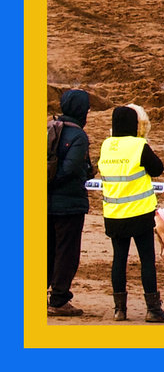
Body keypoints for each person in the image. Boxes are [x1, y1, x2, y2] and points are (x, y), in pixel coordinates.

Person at [98, 104, 164, 322]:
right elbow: (158, 168)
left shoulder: (106, 145)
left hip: (113, 213)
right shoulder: (139, 145)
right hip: (139, 213)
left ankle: (119, 309)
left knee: (118, 260)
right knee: (147, 260)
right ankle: (153, 309)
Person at [47, 88, 92, 317]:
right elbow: (72, 168)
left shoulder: (49, 127)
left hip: (45, 200)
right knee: (66, 253)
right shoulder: (78, 136)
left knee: (47, 249)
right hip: (69, 204)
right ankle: (58, 299)